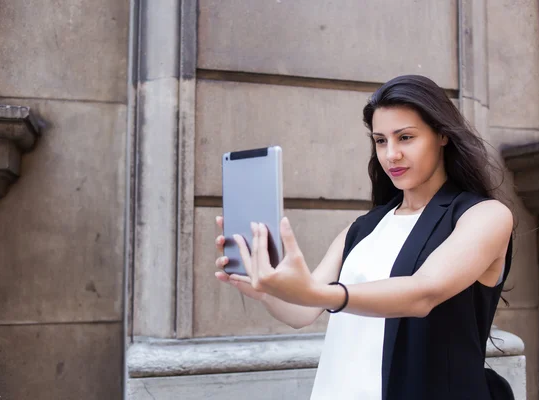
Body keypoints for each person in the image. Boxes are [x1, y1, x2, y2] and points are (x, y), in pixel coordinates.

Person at [214, 75, 514, 400]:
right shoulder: (364, 228)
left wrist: (321, 294)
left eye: (406, 137)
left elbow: (424, 293)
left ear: (442, 134)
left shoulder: (484, 216)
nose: (391, 154)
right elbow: (302, 311)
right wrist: (266, 286)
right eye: (381, 140)